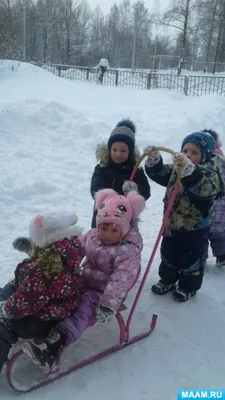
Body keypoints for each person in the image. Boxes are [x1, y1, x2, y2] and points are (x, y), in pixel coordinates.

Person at [22, 188, 146, 373]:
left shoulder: (128, 251)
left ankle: (55, 344)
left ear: (125, 229)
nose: (107, 233)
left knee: (84, 307)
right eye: (103, 227)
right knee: (59, 291)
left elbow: (121, 280)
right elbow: (74, 249)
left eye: (114, 230)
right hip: (82, 280)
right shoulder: (92, 236)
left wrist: (108, 303)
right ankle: (39, 320)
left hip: (103, 293)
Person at [0, 211, 85, 373]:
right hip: (56, 304)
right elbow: (46, 260)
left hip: (41, 320)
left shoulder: (44, 271)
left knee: (4, 326)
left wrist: (6, 310)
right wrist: (31, 249)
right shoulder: (67, 249)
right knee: (10, 290)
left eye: (34, 240)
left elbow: (25, 301)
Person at [144, 131, 223, 302]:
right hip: (171, 224)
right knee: (168, 254)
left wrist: (191, 173)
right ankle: (168, 279)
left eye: (195, 153)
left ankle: (188, 287)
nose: (188, 155)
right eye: (185, 151)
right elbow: (162, 173)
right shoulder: (176, 168)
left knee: (190, 259)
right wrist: (154, 162)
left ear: (207, 155)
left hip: (194, 228)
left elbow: (206, 189)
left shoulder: (209, 173)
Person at [90, 118, 151, 227]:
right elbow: (95, 189)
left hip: (125, 216)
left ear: (130, 152)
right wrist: (111, 197)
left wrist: (134, 189)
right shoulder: (102, 168)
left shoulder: (136, 169)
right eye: (114, 150)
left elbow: (146, 192)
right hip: (103, 214)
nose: (118, 154)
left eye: (123, 151)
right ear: (109, 149)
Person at [202, 129, 225, 267]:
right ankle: (222, 255)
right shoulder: (221, 159)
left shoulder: (202, 158)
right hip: (220, 204)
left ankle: (200, 257)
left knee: (201, 234)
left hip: (211, 202)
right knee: (220, 232)